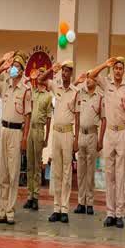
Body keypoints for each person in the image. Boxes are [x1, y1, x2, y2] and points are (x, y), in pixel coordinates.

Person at [87, 56, 125, 228]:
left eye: (120, 68)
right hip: (108, 134)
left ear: (124, 71)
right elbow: (91, 75)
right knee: (109, 174)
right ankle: (110, 213)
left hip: (122, 132)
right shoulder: (106, 83)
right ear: (113, 70)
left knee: (120, 175)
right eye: (115, 68)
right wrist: (105, 64)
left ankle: (119, 213)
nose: (118, 71)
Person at [0, 51, 32, 225]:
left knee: (13, 173)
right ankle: (1, 210)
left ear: (22, 71)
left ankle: (10, 211)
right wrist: (2, 67)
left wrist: (24, 138)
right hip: (4, 129)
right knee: (3, 172)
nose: (13, 69)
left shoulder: (26, 89)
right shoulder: (5, 84)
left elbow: (28, 116)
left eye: (16, 66)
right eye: (13, 66)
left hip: (16, 132)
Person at [39, 61, 79, 223]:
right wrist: (50, 69)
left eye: (67, 71)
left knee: (66, 172)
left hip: (68, 133)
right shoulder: (56, 86)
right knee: (56, 170)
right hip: (56, 132)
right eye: (62, 71)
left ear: (71, 73)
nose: (64, 74)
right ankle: (56, 208)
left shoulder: (75, 92)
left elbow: (77, 115)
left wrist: (76, 138)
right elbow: (41, 80)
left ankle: (64, 209)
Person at [73, 72, 102, 215]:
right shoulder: (80, 93)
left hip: (92, 134)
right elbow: (76, 116)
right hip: (81, 134)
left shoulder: (100, 97)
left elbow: (104, 119)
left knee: (90, 171)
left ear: (96, 81)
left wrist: (101, 140)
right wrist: (75, 136)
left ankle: (89, 202)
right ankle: (80, 202)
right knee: (80, 171)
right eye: (88, 78)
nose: (89, 80)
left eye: (92, 78)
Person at [25, 67, 52, 212]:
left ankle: (35, 196)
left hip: (40, 129)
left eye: (42, 73)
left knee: (37, 164)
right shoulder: (32, 92)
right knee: (29, 163)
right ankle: (29, 195)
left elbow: (48, 118)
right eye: (39, 73)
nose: (40, 75)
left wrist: (47, 137)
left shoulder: (48, 96)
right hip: (30, 129)